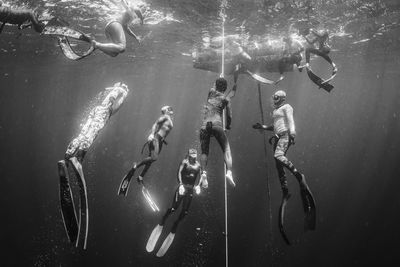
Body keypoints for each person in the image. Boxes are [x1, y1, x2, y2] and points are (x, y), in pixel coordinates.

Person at [58, 82, 129, 249]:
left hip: (99, 110)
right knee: (91, 133)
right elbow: (113, 102)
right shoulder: (116, 96)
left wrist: (114, 90)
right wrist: (120, 91)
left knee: (85, 132)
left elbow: (111, 100)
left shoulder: (110, 99)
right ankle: (77, 158)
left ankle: (68, 155)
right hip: (102, 111)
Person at [253, 90, 316, 245]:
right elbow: (275, 126)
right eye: (273, 97)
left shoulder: (287, 107)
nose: (273, 99)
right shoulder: (275, 111)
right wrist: (263, 126)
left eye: (275, 97)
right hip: (278, 136)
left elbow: (290, 120)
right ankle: (285, 190)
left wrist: (292, 133)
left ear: (280, 98)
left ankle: (298, 175)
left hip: (286, 135)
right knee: (278, 165)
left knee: (278, 156)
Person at [146, 149, 206, 257]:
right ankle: (162, 222)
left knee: (185, 212)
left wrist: (199, 186)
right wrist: (181, 185)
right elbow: (178, 173)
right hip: (182, 188)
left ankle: (174, 226)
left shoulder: (198, 166)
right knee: (173, 208)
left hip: (190, 190)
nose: (194, 158)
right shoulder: (184, 162)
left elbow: (202, 176)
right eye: (192, 156)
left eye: (195, 156)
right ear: (189, 155)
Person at [118, 105, 174, 196]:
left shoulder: (170, 118)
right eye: (170, 109)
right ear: (166, 111)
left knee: (151, 159)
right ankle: (136, 166)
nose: (172, 110)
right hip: (156, 138)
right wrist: (152, 134)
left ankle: (141, 176)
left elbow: (163, 128)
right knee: (154, 158)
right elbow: (155, 124)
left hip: (160, 140)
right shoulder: (165, 117)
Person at [199, 77, 237, 188]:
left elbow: (215, 88)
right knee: (226, 149)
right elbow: (229, 116)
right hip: (217, 124)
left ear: (215, 85)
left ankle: (203, 173)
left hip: (205, 125)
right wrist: (228, 126)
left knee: (204, 152)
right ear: (225, 88)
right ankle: (229, 172)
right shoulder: (226, 99)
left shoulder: (211, 92)